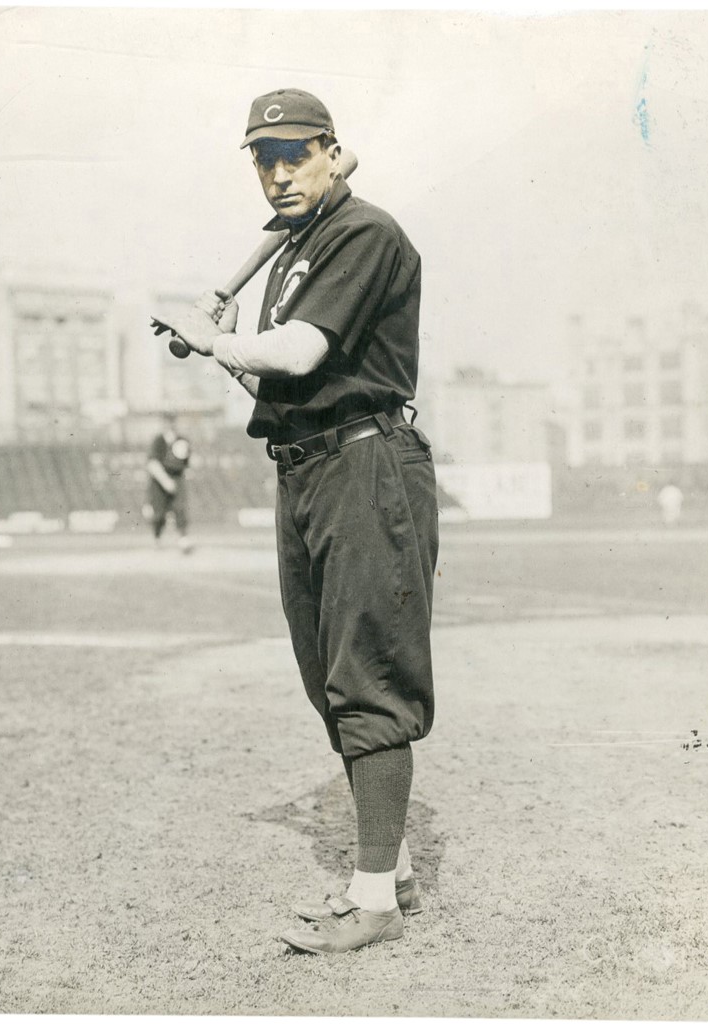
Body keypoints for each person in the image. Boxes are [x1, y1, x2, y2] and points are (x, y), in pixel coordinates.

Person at [150, 88, 438, 954]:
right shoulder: (293, 254)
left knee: (367, 676)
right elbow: (284, 386)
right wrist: (231, 347)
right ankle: (395, 867)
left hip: (366, 465)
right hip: (307, 463)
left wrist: (212, 339)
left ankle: (375, 900)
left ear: (330, 151)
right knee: (325, 677)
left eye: (295, 154)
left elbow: (304, 352)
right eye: (263, 159)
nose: (278, 172)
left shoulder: (363, 233)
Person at [144, 412, 193, 553]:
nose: (170, 425)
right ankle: (157, 538)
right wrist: (165, 481)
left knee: (180, 508)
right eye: (167, 422)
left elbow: (186, 462)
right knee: (159, 513)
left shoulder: (182, 440)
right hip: (160, 480)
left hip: (177, 478)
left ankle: (183, 539)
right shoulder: (158, 441)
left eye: (172, 422)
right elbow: (152, 463)